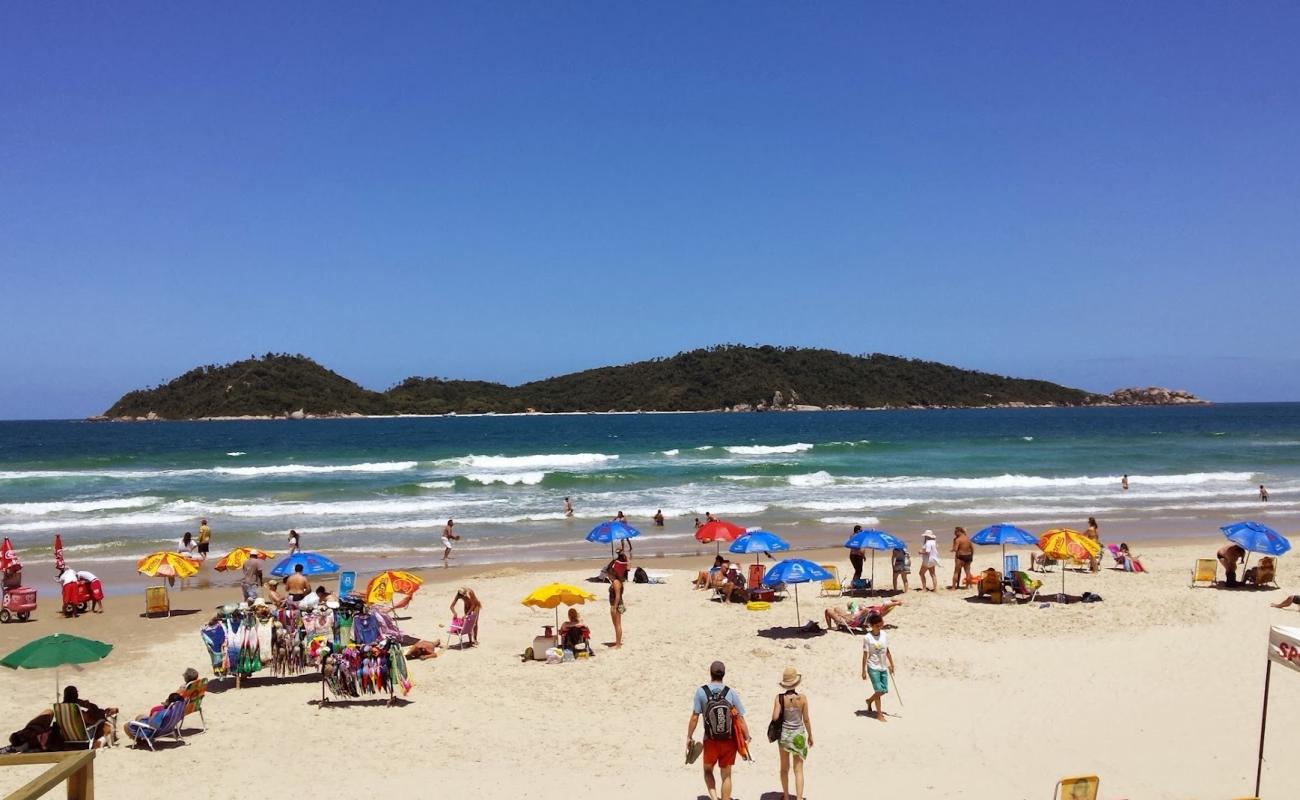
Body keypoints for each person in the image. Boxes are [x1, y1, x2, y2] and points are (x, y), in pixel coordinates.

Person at [687, 661, 747, 800]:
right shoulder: (730, 692)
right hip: (729, 740)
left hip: (710, 740)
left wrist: (689, 736)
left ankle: (714, 798)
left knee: (708, 770)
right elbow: (740, 718)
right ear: (724, 674)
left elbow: (695, 717)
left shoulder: (701, 692)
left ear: (710, 673)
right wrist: (747, 736)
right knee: (726, 774)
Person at [772, 667, 812, 800]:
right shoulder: (803, 698)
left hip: (784, 736)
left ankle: (786, 796)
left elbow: (775, 717)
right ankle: (799, 798)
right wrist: (810, 735)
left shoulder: (779, 698)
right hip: (799, 735)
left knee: (784, 768)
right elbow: (805, 719)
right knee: (798, 769)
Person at [861, 612, 894, 722]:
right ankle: (879, 714)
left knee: (884, 690)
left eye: (881, 624)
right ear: (873, 625)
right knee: (878, 690)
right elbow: (865, 655)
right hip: (873, 667)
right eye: (878, 625)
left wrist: (892, 664)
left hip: (883, 666)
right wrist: (863, 671)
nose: (880, 626)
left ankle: (869, 701)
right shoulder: (867, 638)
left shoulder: (884, 635)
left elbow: (887, 650)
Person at [824, 599, 901, 630]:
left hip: (849, 621)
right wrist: (896, 602)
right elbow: (888, 605)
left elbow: (887, 606)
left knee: (827, 610)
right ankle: (836, 623)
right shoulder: (876, 611)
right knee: (836, 608)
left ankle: (830, 627)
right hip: (852, 617)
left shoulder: (876, 612)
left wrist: (896, 603)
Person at [607, 552, 627, 647]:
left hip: (617, 605)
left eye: (608, 575)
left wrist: (614, 607)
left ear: (612, 574)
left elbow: (618, 595)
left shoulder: (616, 582)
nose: (608, 577)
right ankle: (617, 642)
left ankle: (618, 644)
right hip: (615, 604)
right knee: (616, 624)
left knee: (617, 624)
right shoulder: (615, 581)